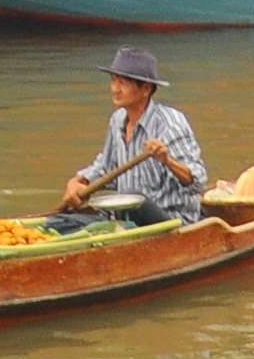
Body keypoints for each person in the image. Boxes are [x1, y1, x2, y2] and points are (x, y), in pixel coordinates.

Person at [55, 48, 201, 229]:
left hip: (171, 221)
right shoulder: (117, 121)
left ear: (146, 88)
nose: (115, 89)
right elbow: (106, 168)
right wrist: (79, 181)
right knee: (58, 224)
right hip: (126, 217)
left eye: (122, 83)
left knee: (132, 198)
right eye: (114, 81)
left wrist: (167, 160)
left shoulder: (171, 123)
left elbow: (197, 181)